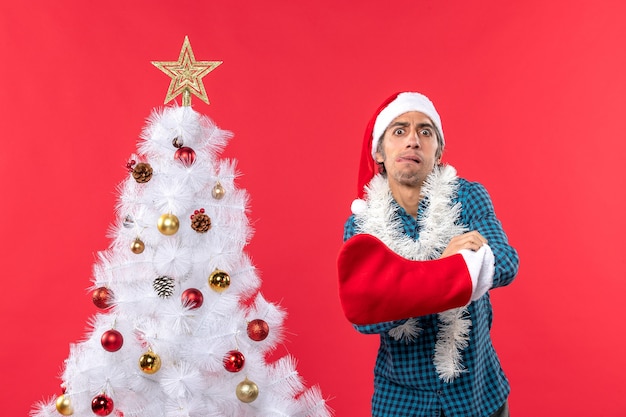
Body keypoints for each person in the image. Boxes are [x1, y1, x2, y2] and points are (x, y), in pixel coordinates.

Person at [337, 92, 519, 417]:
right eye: (398, 131)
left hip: (479, 395)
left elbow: (505, 262)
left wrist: (403, 285)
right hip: (402, 403)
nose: (412, 141)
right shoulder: (363, 225)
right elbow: (365, 316)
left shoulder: (468, 197)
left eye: (425, 131)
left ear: (439, 151)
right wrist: (449, 267)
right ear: (378, 151)